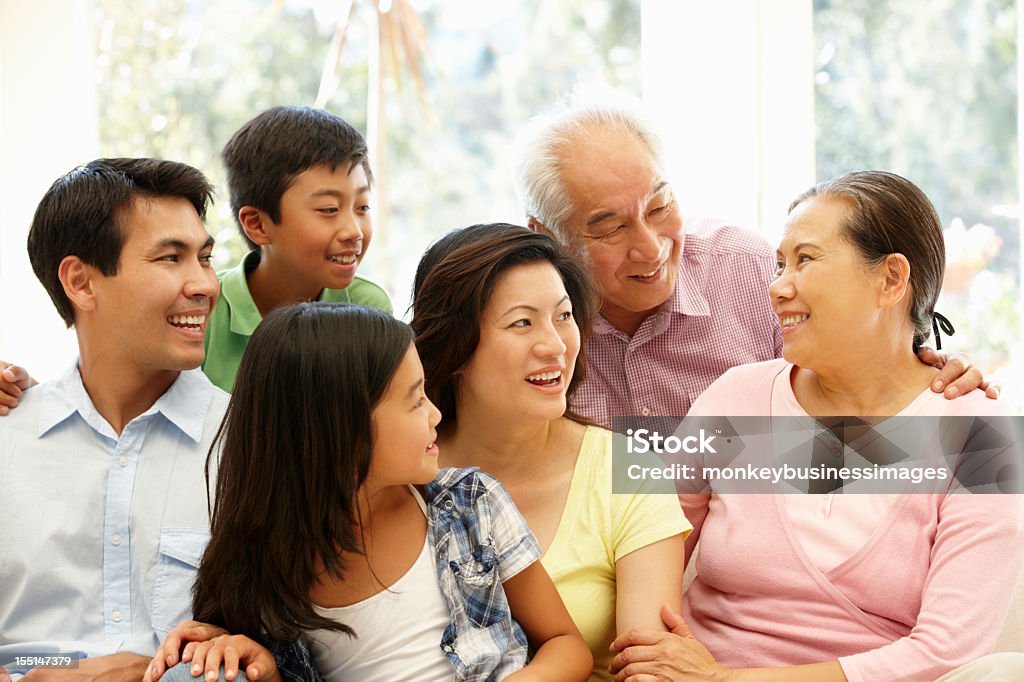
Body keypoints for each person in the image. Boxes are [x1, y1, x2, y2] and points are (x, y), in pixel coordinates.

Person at [607, 171, 1024, 681]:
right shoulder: (736, 395)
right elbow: (648, 543)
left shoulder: (980, 432)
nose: (777, 286)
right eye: (780, 264)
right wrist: (653, 668)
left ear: (891, 279)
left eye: (805, 260)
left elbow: (948, 651)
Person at [143, 303, 592, 682]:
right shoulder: (265, 566)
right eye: (415, 399)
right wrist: (258, 662)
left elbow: (566, 644)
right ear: (343, 431)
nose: (435, 413)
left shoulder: (470, 503)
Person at [511, 91, 994, 427]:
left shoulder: (742, 266)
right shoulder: (523, 323)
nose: (651, 247)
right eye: (611, 228)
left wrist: (926, 377)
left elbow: (853, 377)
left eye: (660, 207)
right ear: (547, 235)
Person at [411, 223, 691, 681]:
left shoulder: (629, 469)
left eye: (563, 316)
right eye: (522, 322)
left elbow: (651, 668)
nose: (556, 345)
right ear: (455, 345)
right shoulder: (399, 470)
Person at [0, 158, 230, 681]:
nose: (204, 285)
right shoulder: (7, 438)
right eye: (171, 258)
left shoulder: (250, 444)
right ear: (81, 282)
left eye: (206, 257)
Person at [0, 105, 391, 403]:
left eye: (363, 207)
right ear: (256, 224)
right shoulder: (198, 324)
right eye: (328, 210)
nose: (353, 231)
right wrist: (36, 403)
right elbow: (128, 401)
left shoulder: (369, 307)